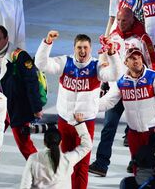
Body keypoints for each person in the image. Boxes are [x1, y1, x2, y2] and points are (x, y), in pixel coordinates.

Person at [34, 30, 123, 188]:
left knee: (82, 165)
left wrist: (112, 53)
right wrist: (47, 43)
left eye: (85, 48)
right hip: (64, 121)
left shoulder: (96, 66)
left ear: (90, 49)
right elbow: (41, 64)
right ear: (74, 48)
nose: (82, 51)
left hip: (85, 123)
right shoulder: (64, 62)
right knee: (65, 164)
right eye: (79, 48)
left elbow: (115, 75)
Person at [90, 7, 155, 177]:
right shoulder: (113, 36)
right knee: (108, 126)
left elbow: (152, 64)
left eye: (124, 21)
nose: (120, 24)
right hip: (116, 88)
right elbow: (104, 60)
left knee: (137, 129)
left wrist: (151, 88)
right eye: (119, 20)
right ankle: (101, 163)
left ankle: (137, 162)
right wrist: (103, 83)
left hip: (136, 90)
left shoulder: (142, 39)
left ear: (133, 20)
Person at [98, 47, 155, 174]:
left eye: (139, 57)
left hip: (153, 132)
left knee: (153, 169)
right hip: (133, 134)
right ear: (126, 63)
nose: (137, 61)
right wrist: (87, 107)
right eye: (133, 58)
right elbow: (108, 102)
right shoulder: (121, 82)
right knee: (137, 169)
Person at [0, 25, 43, 160]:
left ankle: (42, 175)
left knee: (24, 145)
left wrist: (36, 108)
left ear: (6, 38)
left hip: (19, 108)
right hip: (2, 107)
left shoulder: (20, 56)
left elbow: (32, 82)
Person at [20, 113, 93, 189]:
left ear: (44, 142)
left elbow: (25, 186)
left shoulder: (33, 158)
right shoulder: (68, 159)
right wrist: (80, 124)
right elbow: (87, 145)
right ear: (61, 142)